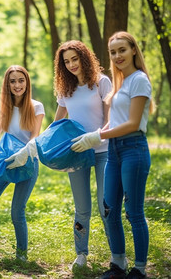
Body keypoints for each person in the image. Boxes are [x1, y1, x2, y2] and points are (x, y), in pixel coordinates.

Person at [71, 31, 153, 279]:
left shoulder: (139, 80)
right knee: (109, 210)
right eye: (113, 52)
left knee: (134, 212)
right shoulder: (121, 84)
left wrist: (98, 138)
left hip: (133, 148)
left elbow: (133, 123)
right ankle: (118, 264)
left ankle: (139, 269)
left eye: (122, 50)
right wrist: (96, 133)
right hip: (115, 152)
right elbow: (113, 121)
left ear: (134, 51)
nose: (118, 56)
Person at [0, 65, 44, 261]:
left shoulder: (36, 107)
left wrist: (24, 153)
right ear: (7, 84)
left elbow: (35, 136)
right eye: (12, 81)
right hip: (5, 161)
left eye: (21, 80)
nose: (17, 85)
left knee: (17, 211)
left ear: (27, 82)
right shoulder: (4, 106)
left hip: (27, 162)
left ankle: (21, 255)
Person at [52, 40, 112, 268]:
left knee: (106, 206)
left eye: (74, 59)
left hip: (103, 151)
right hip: (76, 153)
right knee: (82, 208)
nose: (71, 65)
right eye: (66, 62)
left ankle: (117, 254)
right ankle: (81, 254)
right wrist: (39, 145)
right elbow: (57, 123)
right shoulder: (66, 89)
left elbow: (110, 121)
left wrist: (96, 136)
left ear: (84, 57)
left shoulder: (101, 83)